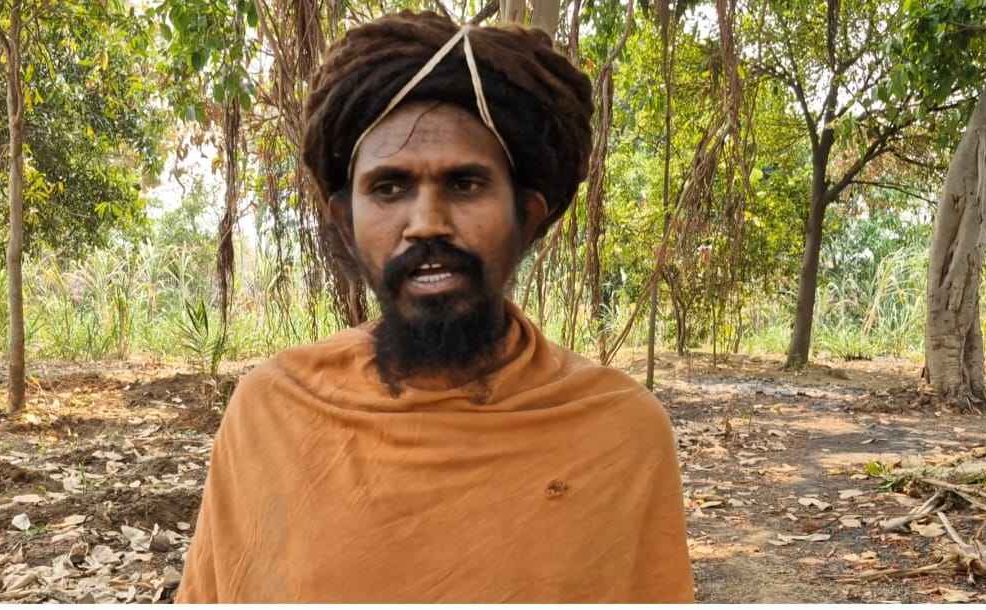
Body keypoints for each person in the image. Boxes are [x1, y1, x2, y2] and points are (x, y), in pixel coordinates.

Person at [176, 11, 694, 603]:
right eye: (389, 188)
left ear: (527, 217)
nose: (426, 224)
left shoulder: (619, 431)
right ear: (345, 223)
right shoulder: (271, 413)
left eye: (465, 185)